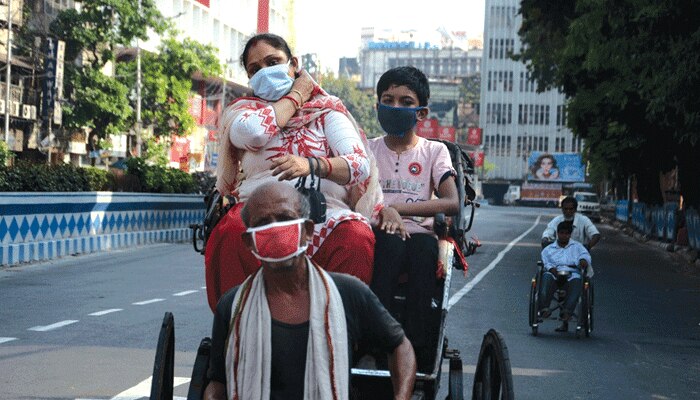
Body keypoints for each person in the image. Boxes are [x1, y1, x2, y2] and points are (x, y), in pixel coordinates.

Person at [205, 33, 382, 312]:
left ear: (293, 64)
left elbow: (359, 165)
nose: (265, 73)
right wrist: (298, 93)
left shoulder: (327, 111)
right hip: (259, 214)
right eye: (255, 69)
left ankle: (340, 325)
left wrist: (313, 165)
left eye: (273, 62)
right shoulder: (241, 114)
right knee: (232, 232)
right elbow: (257, 132)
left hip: (324, 213)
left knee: (356, 236)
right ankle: (237, 323)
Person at [204, 182, 416, 400]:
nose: (276, 230)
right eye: (263, 223)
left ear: (307, 231)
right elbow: (218, 381)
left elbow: (400, 346)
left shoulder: (348, 293)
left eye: (285, 219)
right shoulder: (233, 305)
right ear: (249, 241)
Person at [366, 66, 459, 369]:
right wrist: (383, 214)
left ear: (421, 112)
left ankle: (416, 348)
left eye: (406, 102)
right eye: (387, 99)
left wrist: (397, 209)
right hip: (377, 232)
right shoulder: (367, 149)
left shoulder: (435, 151)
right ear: (378, 104)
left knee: (424, 251)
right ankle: (376, 341)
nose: (395, 107)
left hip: (420, 234)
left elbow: (452, 201)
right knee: (389, 247)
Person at [539, 221, 592, 332]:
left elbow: (585, 255)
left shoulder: (577, 247)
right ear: (557, 233)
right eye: (561, 233)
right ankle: (544, 308)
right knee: (545, 278)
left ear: (570, 234)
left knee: (577, 281)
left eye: (566, 233)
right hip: (554, 272)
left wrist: (583, 260)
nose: (564, 235)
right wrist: (553, 270)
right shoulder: (549, 249)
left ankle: (567, 312)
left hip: (571, 273)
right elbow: (546, 262)